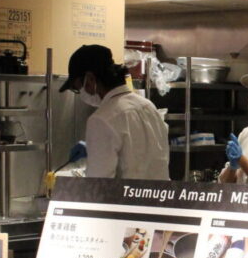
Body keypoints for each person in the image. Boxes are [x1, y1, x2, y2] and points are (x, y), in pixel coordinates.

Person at [60, 44, 170, 181]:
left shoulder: (102, 119)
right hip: (160, 193)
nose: (81, 93)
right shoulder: (148, 106)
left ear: (90, 79)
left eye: (78, 88)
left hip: (124, 195)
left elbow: (98, 184)